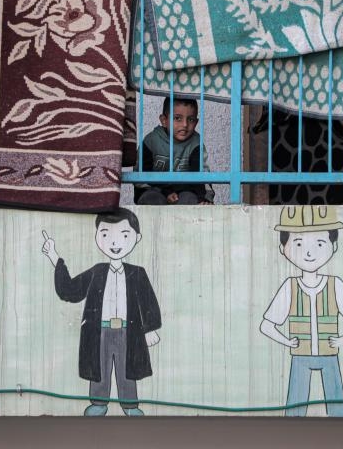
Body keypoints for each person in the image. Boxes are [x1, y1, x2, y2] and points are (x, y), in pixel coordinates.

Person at [42, 208, 162, 416]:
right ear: (97, 236)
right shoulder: (97, 271)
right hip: (100, 330)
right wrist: (54, 257)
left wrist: (150, 329)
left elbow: (149, 302)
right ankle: (98, 402)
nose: (115, 243)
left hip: (128, 330)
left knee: (127, 369)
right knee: (100, 367)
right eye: (106, 235)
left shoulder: (137, 273)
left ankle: (130, 405)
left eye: (124, 235)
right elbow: (70, 290)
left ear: (137, 237)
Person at [259, 205, 343, 417]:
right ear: (283, 248)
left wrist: (342, 340)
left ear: (333, 246)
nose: (309, 252)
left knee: (339, 411)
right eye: (298, 243)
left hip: (329, 356)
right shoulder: (290, 287)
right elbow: (266, 325)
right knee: (294, 411)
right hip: (300, 356)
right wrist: (286, 341)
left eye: (320, 243)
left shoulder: (335, 285)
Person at [134, 97, 214, 205]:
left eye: (190, 119)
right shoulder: (151, 141)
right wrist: (165, 192)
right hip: (152, 190)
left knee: (190, 200)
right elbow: (141, 177)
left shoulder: (196, 143)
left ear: (196, 122)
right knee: (152, 200)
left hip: (184, 192)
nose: (185, 124)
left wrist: (204, 199)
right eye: (178, 118)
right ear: (164, 121)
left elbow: (201, 175)